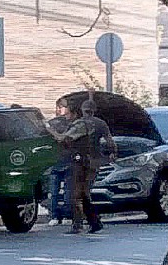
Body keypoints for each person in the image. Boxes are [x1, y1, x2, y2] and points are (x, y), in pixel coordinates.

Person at [46, 93, 116, 234]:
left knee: (76, 194)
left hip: (81, 163)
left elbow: (63, 139)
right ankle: (92, 222)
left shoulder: (80, 124)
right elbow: (110, 141)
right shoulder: (100, 123)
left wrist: (48, 129)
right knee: (82, 194)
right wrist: (113, 153)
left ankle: (80, 224)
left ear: (80, 111)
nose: (66, 115)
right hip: (93, 162)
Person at [47, 98, 72, 226]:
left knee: (68, 192)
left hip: (69, 161)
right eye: (61, 107)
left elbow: (64, 138)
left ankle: (67, 215)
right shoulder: (52, 123)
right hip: (55, 162)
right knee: (54, 192)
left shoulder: (72, 123)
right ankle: (55, 215)